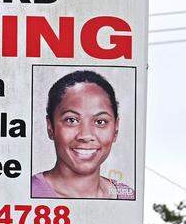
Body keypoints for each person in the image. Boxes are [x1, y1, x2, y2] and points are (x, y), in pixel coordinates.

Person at [31, 69, 135, 200]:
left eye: (100, 121)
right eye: (71, 120)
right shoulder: (26, 192)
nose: (86, 136)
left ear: (116, 128)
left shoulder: (127, 197)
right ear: (50, 126)